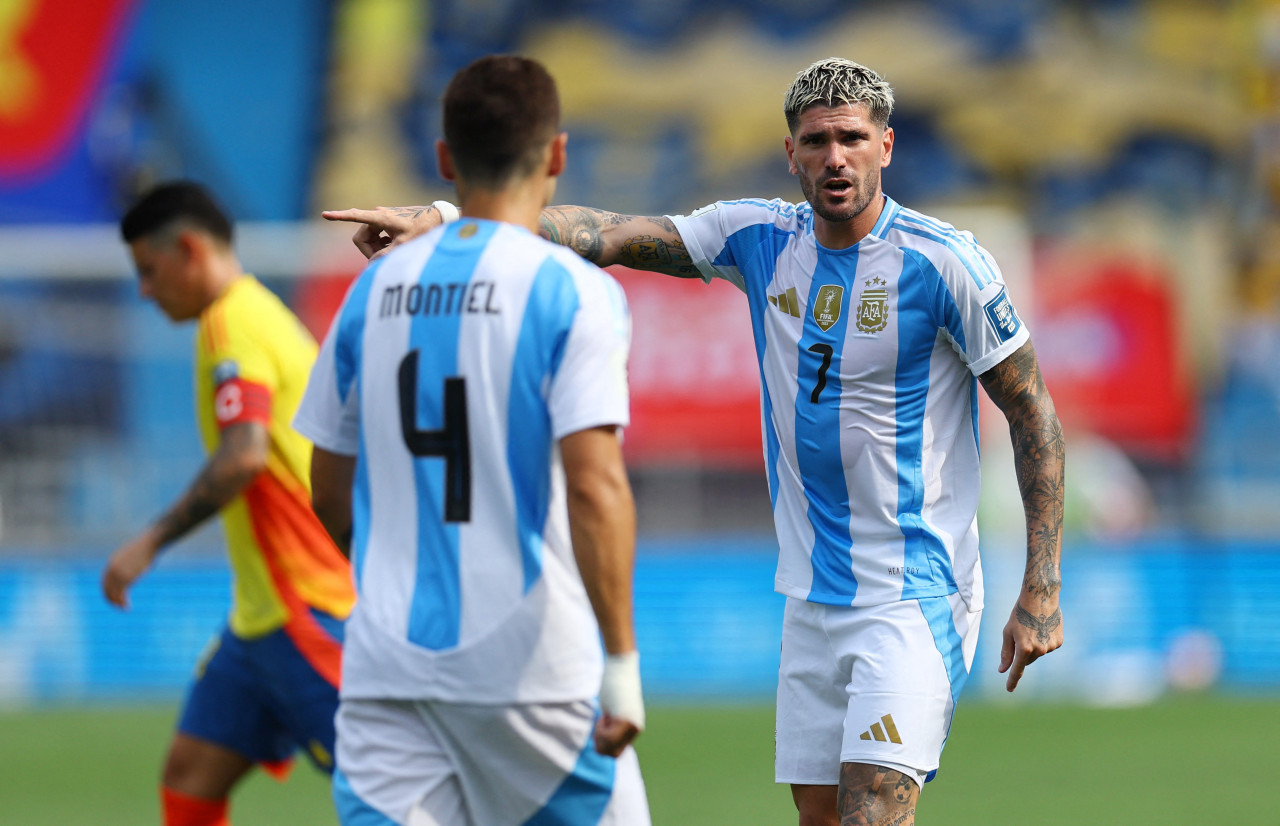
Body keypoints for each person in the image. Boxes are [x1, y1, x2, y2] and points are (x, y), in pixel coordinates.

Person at [326, 56, 1066, 826]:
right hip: (811, 597)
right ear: (791, 154)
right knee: (820, 816)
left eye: (851, 138)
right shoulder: (756, 237)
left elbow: (1033, 414)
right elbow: (605, 234)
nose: (834, 157)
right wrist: (447, 222)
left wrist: (1040, 586)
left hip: (915, 593)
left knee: (872, 814)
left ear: (886, 145)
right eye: (815, 141)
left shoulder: (946, 263)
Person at [294, 55, 649, 826]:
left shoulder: (374, 289)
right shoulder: (574, 291)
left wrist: (394, 568)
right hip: (531, 670)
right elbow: (595, 487)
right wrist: (620, 665)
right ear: (557, 154)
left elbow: (326, 488)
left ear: (445, 160)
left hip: (387, 667)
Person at [102, 182, 355, 825]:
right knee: (190, 776)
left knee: (389, 784)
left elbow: (244, 453)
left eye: (149, 271)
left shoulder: (232, 322)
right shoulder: (255, 312)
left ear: (189, 249)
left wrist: (147, 543)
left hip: (305, 603)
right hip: (259, 617)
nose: (145, 291)